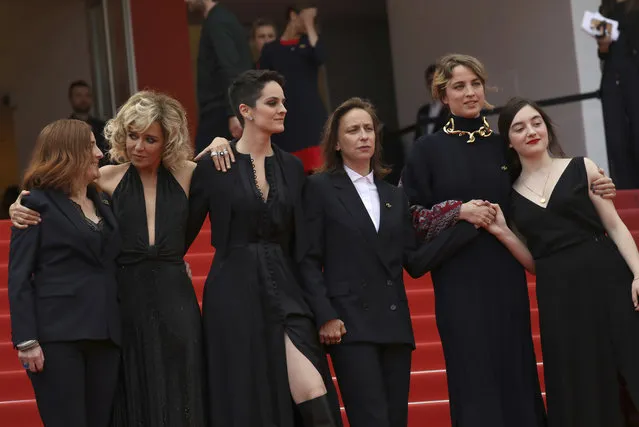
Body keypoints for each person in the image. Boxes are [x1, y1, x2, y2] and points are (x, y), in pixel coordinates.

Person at [400, 53, 617, 427]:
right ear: (442, 95)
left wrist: (594, 180)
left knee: (515, 363)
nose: (469, 93)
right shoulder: (426, 150)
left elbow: (543, 179)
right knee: (473, 371)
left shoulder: (504, 144)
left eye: (475, 84)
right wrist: (457, 211)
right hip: (458, 278)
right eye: (458, 86)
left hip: (505, 272)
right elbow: (410, 217)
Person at [10, 92, 206, 426]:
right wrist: (20, 203)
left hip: (172, 299)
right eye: (132, 136)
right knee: (129, 392)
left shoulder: (189, 174)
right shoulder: (104, 178)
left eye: (150, 139)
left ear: (167, 141)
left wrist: (219, 141)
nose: (138, 146)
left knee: (181, 387)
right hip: (123, 301)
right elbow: (59, 180)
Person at [299, 97, 480, 427]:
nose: (364, 135)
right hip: (348, 325)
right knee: (370, 418)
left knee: (396, 419)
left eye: (369, 129)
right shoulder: (318, 188)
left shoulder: (394, 195)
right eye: (353, 130)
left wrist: (465, 227)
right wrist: (325, 315)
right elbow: (308, 259)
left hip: (394, 325)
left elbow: (413, 261)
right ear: (337, 143)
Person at [186, 69, 342, 427]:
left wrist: (321, 308)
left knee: (312, 386)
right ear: (246, 110)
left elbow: (303, 246)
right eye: (272, 103)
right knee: (246, 399)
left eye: (283, 102)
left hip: (286, 289)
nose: (283, 109)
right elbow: (180, 230)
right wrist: (197, 158)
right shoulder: (215, 164)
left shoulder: (291, 166)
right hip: (232, 296)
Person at [492, 97, 639, 427]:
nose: (531, 131)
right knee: (582, 379)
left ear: (546, 127)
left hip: (607, 277)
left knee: (628, 362)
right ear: (509, 141)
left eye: (536, 123)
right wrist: (503, 232)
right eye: (519, 127)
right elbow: (534, 262)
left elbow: (614, 224)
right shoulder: (510, 196)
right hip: (558, 294)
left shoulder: (582, 167)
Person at [8, 119, 121, 427]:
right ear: (69, 153)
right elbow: (19, 277)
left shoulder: (104, 201)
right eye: (90, 146)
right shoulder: (35, 204)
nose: (99, 153)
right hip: (58, 337)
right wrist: (26, 339)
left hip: (106, 335)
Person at [258, 4, 327, 173]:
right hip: (284, 119)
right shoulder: (271, 49)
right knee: (290, 174)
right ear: (293, 16)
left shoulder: (309, 45)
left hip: (311, 118)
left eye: (314, 19)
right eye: (307, 16)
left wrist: (310, 24)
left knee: (318, 173)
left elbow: (321, 56)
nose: (311, 21)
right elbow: (262, 83)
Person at [186, 0, 253, 152]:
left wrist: (233, 113)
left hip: (220, 115)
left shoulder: (218, 22)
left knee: (205, 169)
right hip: (222, 112)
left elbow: (230, 67)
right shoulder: (219, 19)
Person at [597, 0, 639, 189]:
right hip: (613, 79)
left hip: (634, 74)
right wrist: (603, 46)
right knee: (617, 139)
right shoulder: (605, 8)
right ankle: (626, 190)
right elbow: (604, 54)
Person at [68, 80, 109, 165]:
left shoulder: (103, 127)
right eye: (78, 95)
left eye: (87, 95)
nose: (83, 99)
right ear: (71, 98)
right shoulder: (66, 129)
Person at [414, 64, 449, 140]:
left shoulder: (452, 108)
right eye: (430, 81)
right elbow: (417, 139)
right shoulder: (423, 111)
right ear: (427, 84)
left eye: (436, 80)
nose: (433, 85)